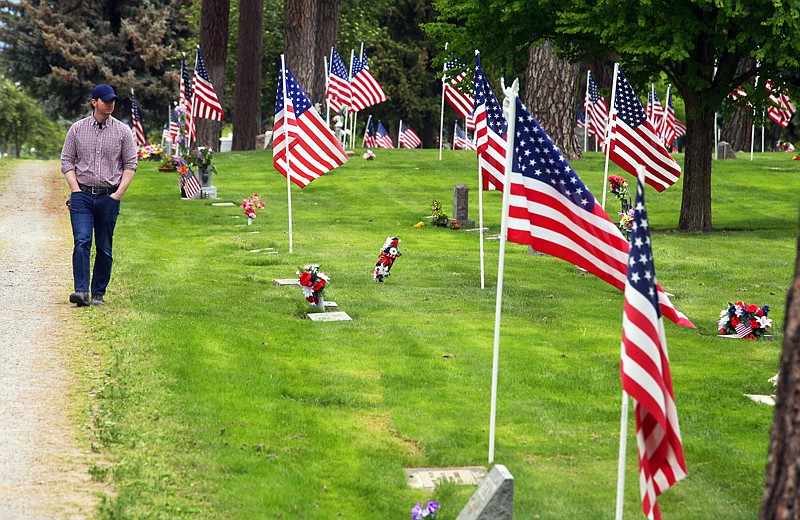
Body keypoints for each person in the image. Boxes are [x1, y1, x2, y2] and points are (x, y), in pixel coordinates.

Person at [60, 83, 138, 306]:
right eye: (106, 101)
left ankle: (98, 293)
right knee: (82, 241)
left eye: (113, 100)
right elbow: (67, 160)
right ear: (94, 102)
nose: (110, 104)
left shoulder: (123, 132)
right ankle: (81, 291)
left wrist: (118, 194)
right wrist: (75, 190)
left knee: (104, 245)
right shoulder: (77, 129)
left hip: (108, 196)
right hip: (82, 195)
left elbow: (130, 164)